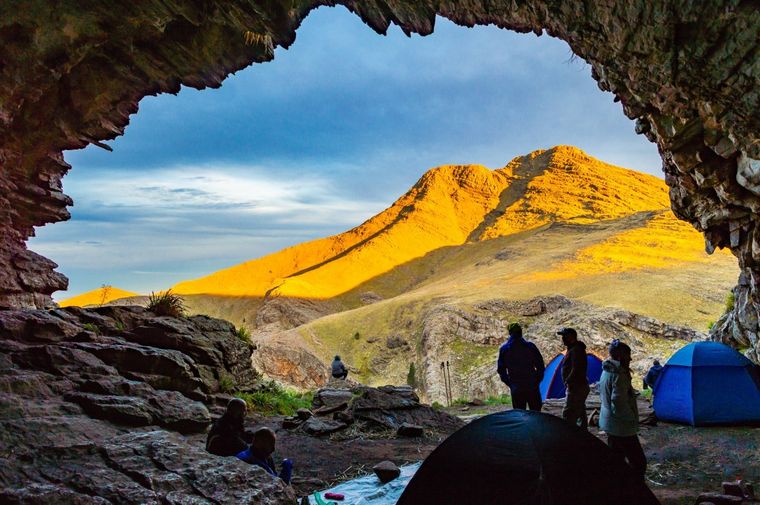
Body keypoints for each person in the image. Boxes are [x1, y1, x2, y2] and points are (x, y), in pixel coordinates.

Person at [599, 339, 647, 481]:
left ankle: (617, 488)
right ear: (620, 357)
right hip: (621, 426)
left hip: (609, 422)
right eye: (628, 355)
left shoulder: (607, 370)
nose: (630, 358)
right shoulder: (619, 375)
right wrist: (631, 417)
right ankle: (634, 491)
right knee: (639, 463)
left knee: (616, 460)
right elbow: (618, 402)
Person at [497, 322, 545, 411]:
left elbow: (501, 369)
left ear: (510, 333)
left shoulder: (504, 349)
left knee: (519, 414)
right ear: (521, 332)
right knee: (536, 412)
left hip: (516, 386)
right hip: (531, 385)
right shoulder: (530, 346)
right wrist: (537, 380)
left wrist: (510, 383)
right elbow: (540, 365)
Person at [558, 327, 590, 429]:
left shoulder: (576, 350)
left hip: (576, 386)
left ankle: (569, 435)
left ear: (570, 337)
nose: (562, 339)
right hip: (579, 385)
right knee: (580, 409)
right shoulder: (574, 348)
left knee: (568, 413)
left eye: (564, 336)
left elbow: (576, 368)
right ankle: (583, 433)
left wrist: (568, 381)